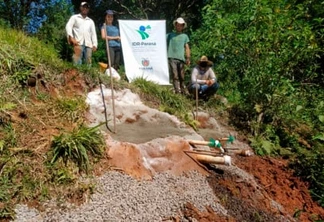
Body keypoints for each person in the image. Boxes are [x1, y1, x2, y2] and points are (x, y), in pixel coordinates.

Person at [166, 17, 191, 95]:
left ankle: (183, 90)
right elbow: (160, 38)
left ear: (183, 27)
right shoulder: (170, 35)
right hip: (172, 57)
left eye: (181, 25)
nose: (179, 27)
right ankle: (177, 91)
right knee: (175, 75)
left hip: (181, 59)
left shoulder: (185, 36)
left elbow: (187, 47)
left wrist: (188, 58)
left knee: (182, 76)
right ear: (175, 25)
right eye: (178, 25)